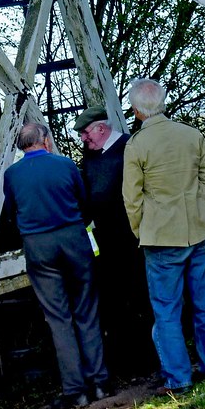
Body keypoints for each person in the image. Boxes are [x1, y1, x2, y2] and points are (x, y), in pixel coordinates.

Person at [122, 79, 205, 395]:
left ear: (136, 110)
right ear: (163, 103)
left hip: (161, 236)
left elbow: (131, 198)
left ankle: (179, 378)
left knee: (167, 311)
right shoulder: (191, 135)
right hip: (198, 228)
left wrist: (141, 229)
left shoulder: (136, 145)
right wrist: (195, 207)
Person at [3, 122, 109, 409]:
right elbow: (84, 202)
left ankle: (75, 391)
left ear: (21, 146)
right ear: (46, 141)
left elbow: (11, 214)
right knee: (86, 311)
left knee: (58, 318)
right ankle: (99, 383)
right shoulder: (65, 165)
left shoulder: (12, 174)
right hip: (73, 238)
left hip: (38, 245)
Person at [75, 105, 152, 378]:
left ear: (101, 128)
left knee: (142, 295)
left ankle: (152, 359)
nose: (83, 139)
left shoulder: (130, 146)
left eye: (86, 132)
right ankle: (128, 364)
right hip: (106, 240)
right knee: (116, 301)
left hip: (134, 236)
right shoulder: (90, 155)